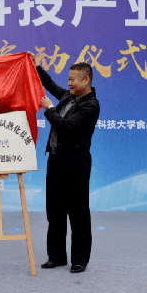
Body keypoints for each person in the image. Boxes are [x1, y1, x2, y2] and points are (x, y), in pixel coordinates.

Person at [29, 53, 100, 274]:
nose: (69, 83)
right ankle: (56, 257)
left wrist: (49, 109)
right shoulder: (69, 97)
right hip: (55, 161)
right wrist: (37, 67)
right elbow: (51, 86)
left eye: (73, 80)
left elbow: (65, 126)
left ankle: (80, 260)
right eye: (68, 79)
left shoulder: (91, 106)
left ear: (86, 80)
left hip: (76, 165)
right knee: (55, 212)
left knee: (78, 214)